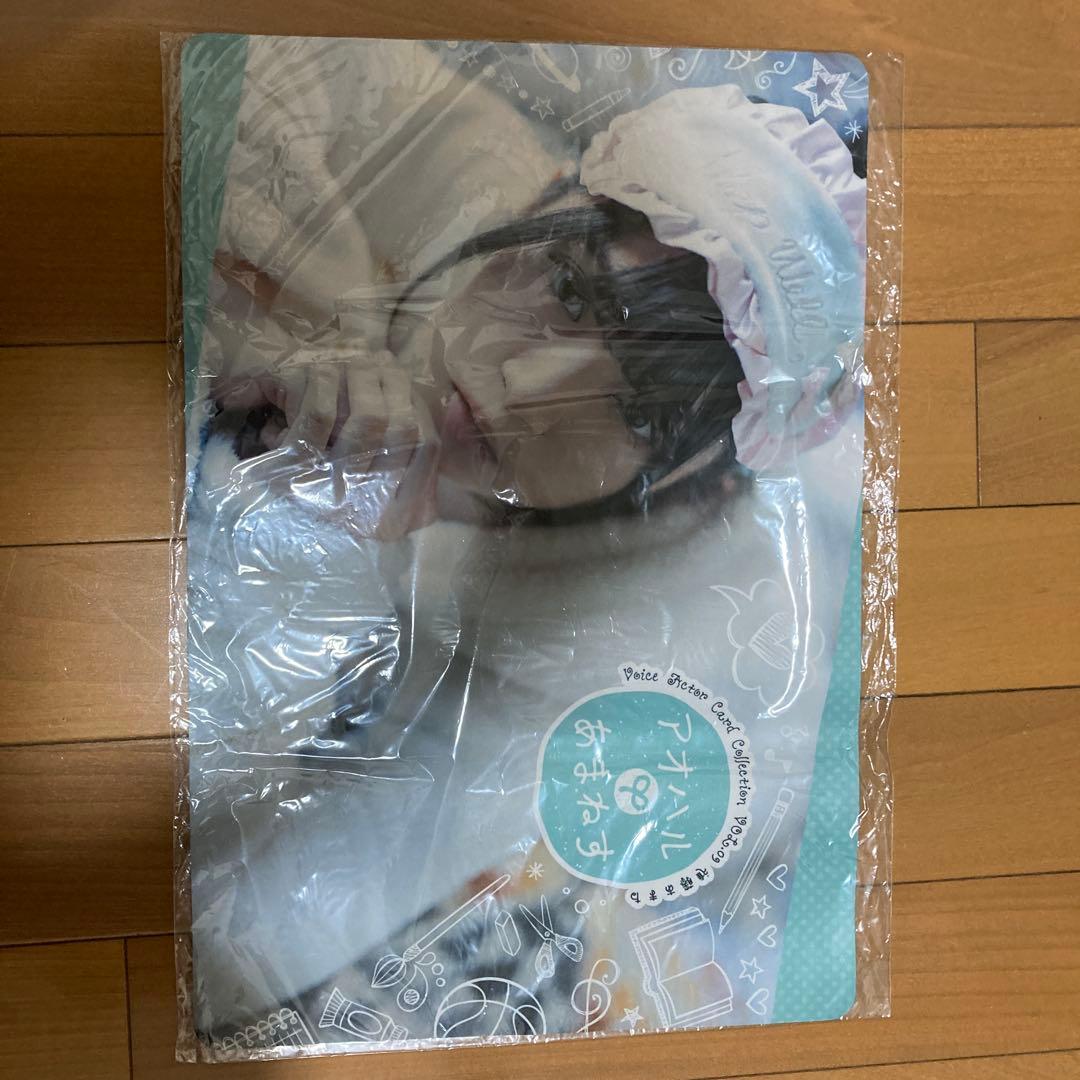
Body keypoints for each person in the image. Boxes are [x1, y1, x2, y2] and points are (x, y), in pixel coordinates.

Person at [183, 35, 866, 1040]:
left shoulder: (608, 661)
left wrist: (322, 538)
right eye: (571, 287)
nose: (522, 383)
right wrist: (300, 344)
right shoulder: (488, 186)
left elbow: (229, 934)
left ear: (703, 479)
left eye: (637, 410)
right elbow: (275, 59)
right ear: (553, 196)